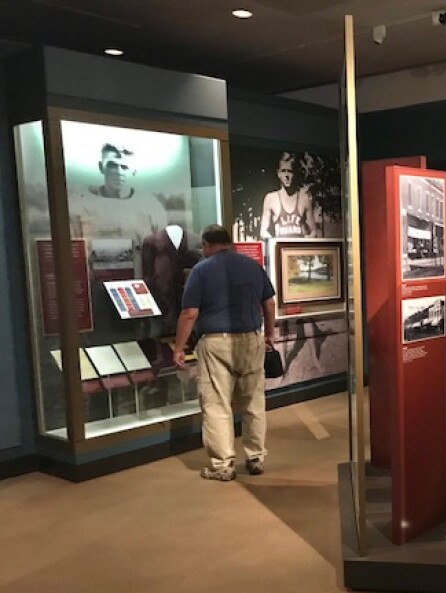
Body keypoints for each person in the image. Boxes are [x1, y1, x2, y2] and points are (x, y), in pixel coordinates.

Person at [174, 225, 276, 481]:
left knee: (217, 404)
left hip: (216, 342)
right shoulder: (252, 266)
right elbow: (269, 303)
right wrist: (270, 333)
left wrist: (178, 347)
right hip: (252, 339)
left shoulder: (201, 269)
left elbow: (190, 313)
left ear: (207, 245)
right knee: (254, 401)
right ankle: (255, 457)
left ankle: (222, 465)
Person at [69, 143, 168, 274]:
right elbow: (74, 252)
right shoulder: (82, 205)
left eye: (124, 167)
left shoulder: (151, 207)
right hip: (97, 283)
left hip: (138, 285)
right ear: (101, 167)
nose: (119, 172)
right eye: (112, 165)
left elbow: (160, 255)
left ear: (133, 170)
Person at [259, 152, 315, 239]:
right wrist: (273, 242)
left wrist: (307, 240)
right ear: (278, 173)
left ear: (294, 173)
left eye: (290, 171)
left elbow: (314, 231)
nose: (286, 175)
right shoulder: (270, 198)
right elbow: (263, 231)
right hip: (281, 250)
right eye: (283, 171)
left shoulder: (304, 199)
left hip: (299, 250)